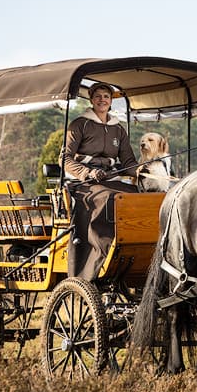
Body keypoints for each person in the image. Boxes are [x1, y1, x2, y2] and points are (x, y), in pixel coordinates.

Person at [61, 83, 139, 280]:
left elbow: (128, 161)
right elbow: (65, 159)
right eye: (98, 96)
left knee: (138, 196)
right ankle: (97, 259)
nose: (102, 99)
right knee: (110, 198)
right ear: (91, 99)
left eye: (106, 96)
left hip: (111, 179)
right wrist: (87, 172)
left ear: (111, 101)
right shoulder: (79, 125)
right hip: (83, 184)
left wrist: (140, 170)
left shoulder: (118, 129)